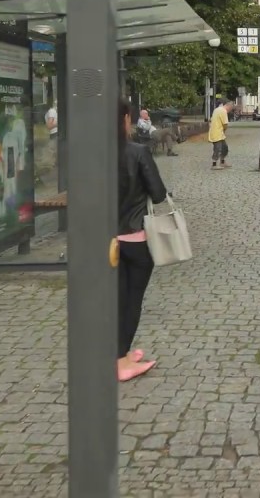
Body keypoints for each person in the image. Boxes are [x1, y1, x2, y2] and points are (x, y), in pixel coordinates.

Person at [114, 98, 169, 383]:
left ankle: (116, 352)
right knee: (130, 301)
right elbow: (158, 194)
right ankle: (121, 361)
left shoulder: (89, 154)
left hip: (103, 240)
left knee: (114, 300)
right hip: (134, 239)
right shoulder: (137, 152)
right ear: (124, 119)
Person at [208, 98, 233, 169]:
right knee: (217, 149)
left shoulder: (217, 109)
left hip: (217, 133)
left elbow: (211, 120)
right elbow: (225, 124)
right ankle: (214, 164)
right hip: (217, 133)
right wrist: (224, 130)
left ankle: (222, 162)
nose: (230, 110)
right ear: (228, 106)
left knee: (224, 147)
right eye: (231, 108)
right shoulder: (223, 111)